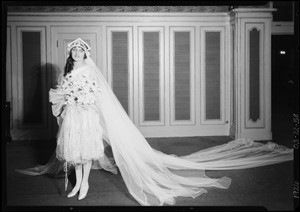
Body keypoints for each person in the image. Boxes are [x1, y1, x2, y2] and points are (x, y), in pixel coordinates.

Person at [16, 38, 294, 206]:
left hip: (86, 114)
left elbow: (97, 93)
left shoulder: (89, 68)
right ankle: (76, 184)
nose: (77, 54)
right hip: (73, 115)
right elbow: (66, 90)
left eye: (80, 50)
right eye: (74, 51)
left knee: (87, 150)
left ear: (86, 53)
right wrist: (68, 98)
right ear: (70, 54)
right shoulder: (69, 69)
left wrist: (83, 98)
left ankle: (85, 183)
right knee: (74, 150)